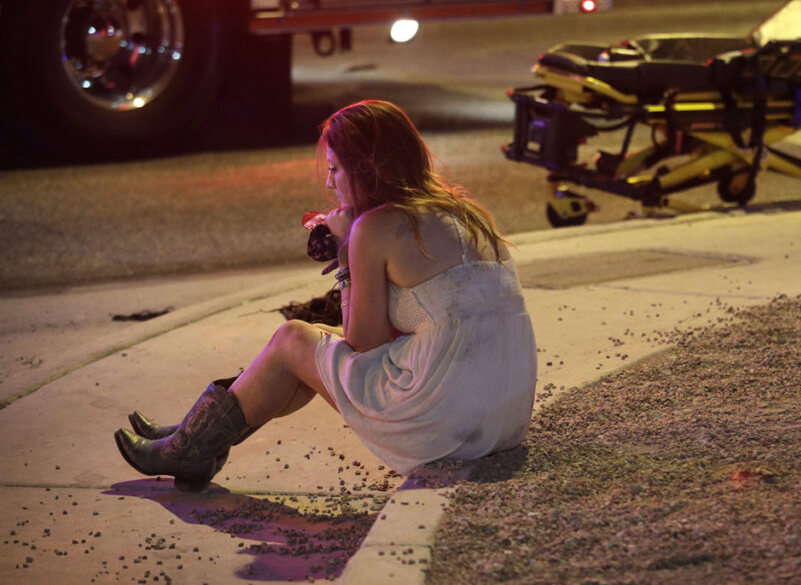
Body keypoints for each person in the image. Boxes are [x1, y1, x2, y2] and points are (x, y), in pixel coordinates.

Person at [114, 100, 538, 491]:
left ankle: (190, 446)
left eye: (335, 168)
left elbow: (363, 346)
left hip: (443, 424)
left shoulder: (375, 228)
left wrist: (347, 253)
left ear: (368, 166)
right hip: (504, 418)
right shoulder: (465, 213)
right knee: (309, 348)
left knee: (293, 340)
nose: (330, 182)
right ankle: (191, 440)